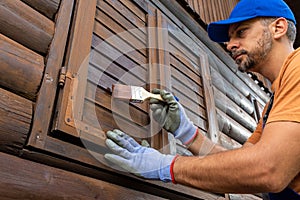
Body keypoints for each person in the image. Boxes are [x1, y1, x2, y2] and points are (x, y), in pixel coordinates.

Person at [104, 0, 300, 199]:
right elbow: (239, 166)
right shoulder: (272, 105)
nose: (230, 45)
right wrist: (186, 131)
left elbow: (267, 170)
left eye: (241, 32)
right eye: (230, 38)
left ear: (278, 28)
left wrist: (166, 166)